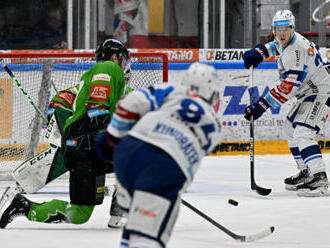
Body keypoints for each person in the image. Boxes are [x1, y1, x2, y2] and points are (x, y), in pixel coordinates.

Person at [0, 38, 130, 228]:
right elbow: (97, 110)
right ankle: (121, 207)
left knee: (79, 215)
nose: (125, 63)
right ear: (113, 57)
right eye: (123, 58)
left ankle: (24, 207)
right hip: (85, 145)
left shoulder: (110, 79)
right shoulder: (109, 68)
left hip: (86, 146)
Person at [94, 63, 222, 248]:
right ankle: (133, 202)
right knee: (146, 239)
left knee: (135, 228)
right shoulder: (215, 125)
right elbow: (190, 161)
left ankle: (126, 197)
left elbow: (130, 103)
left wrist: (112, 138)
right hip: (165, 167)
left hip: (129, 153)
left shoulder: (172, 90)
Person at [243, 10, 330, 196]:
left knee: (303, 132)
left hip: (321, 91)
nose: (281, 33)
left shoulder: (296, 50)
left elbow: (288, 88)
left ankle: (320, 178)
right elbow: (275, 46)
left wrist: (261, 106)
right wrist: (259, 52)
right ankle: (306, 171)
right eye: (278, 29)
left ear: (293, 28)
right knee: (290, 128)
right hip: (309, 91)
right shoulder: (285, 40)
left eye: (286, 29)